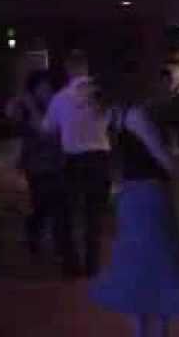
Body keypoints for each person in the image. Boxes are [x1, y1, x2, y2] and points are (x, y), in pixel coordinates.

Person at [90, 74, 179, 337]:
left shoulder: (114, 117)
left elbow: (126, 163)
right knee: (159, 267)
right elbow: (163, 159)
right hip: (150, 198)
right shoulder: (136, 116)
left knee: (138, 269)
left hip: (131, 198)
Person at [42, 51, 112, 278]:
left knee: (67, 214)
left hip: (73, 160)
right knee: (94, 214)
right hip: (100, 159)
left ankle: (71, 266)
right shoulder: (101, 94)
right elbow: (112, 120)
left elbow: (48, 129)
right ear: (87, 67)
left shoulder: (60, 98)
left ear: (68, 69)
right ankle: (92, 266)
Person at [6, 70, 66, 256]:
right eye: (41, 87)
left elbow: (52, 131)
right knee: (41, 204)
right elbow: (12, 114)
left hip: (56, 161)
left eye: (48, 87)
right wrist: (23, 101)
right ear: (34, 89)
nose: (45, 91)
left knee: (57, 204)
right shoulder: (28, 108)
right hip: (36, 164)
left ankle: (57, 243)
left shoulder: (57, 105)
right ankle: (34, 234)